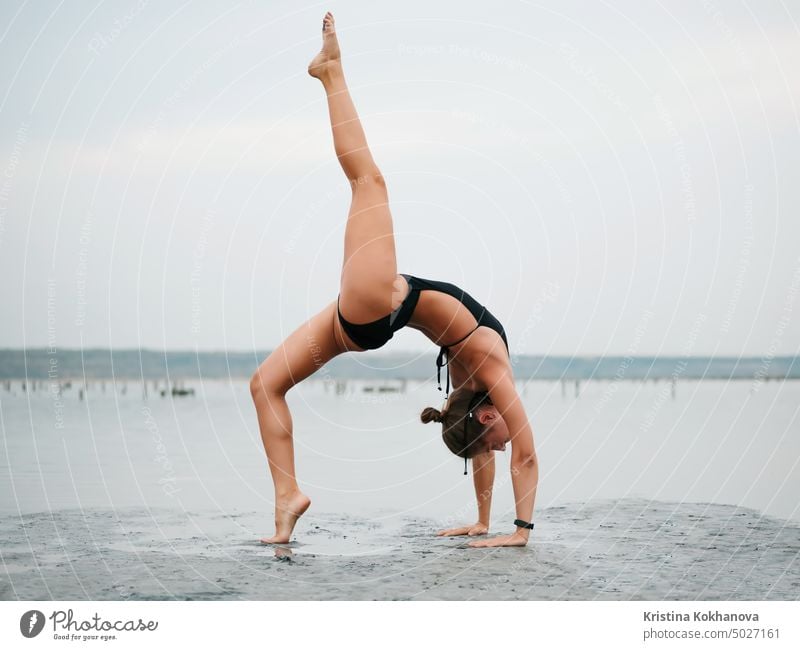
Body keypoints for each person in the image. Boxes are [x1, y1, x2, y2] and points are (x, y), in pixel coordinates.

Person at [250, 12, 539, 548]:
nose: (498, 447)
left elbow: (516, 448)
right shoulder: (476, 382)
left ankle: (332, 72)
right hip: (367, 317)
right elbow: (502, 450)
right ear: (485, 413)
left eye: (489, 439)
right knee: (264, 384)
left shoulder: (485, 377)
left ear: (485, 412)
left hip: (374, 306)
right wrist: (492, 525)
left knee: (368, 180)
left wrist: (514, 531)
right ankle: (285, 501)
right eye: (490, 440)